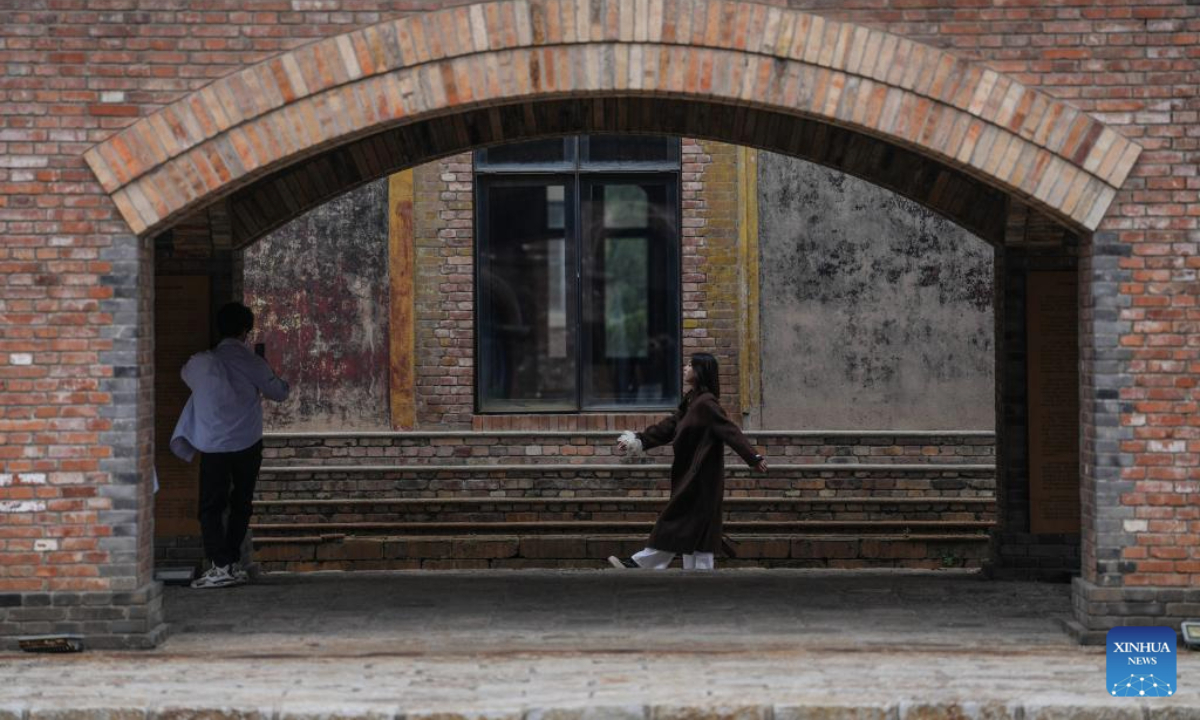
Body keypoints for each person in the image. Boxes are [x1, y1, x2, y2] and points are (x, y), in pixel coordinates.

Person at [609, 352, 767, 570]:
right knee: (696, 529)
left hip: (701, 480)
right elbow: (668, 427)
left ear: (700, 371)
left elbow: (731, 431)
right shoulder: (692, 401)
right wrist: (638, 439)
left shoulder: (706, 404)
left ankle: (641, 563)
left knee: (676, 521)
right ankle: (698, 575)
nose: (685, 367)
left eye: (690, 365)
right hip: (692, 477)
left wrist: (753, 457)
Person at [170, 302, 290, 589]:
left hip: (213, 445)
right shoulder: (252, 362)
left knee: (210, 506)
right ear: (245, 331)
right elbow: (279, 393)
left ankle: (220, 564)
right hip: (247, 443)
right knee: (241, 503)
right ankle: (231, 561)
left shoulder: (201, 362)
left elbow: (187, 378)